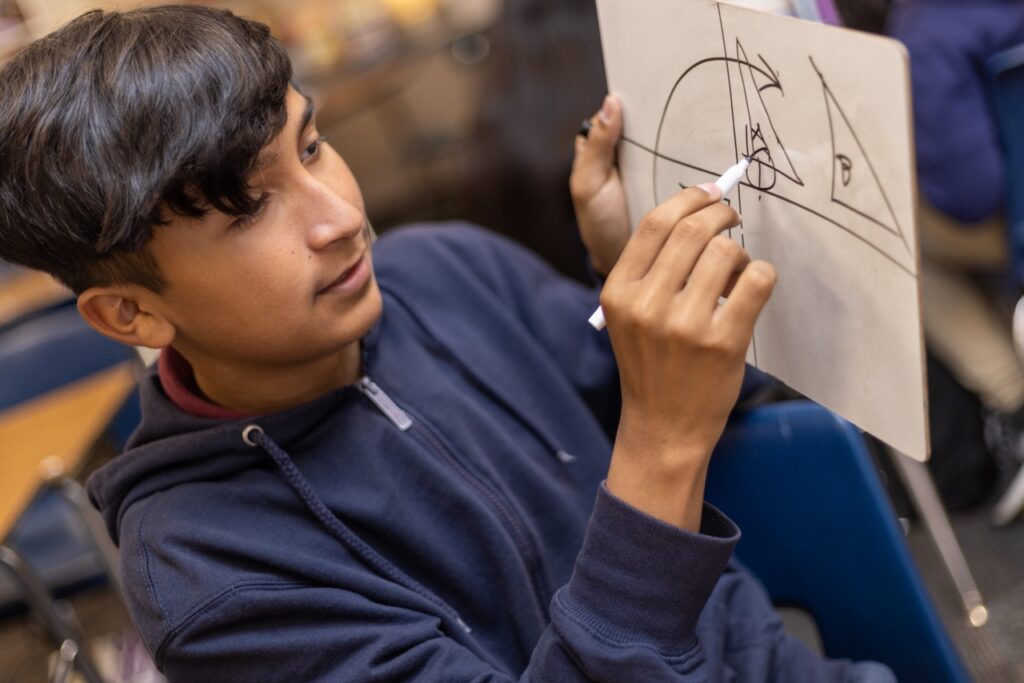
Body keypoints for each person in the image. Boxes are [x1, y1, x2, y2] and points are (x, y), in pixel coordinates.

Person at [0, 6, 895, 681]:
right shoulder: (214, 580)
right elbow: (662, 438)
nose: (343, 218)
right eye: (248, 210)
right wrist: (662, 440)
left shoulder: (443, 267)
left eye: (311, 147)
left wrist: (631, 279)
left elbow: (692, 404)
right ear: (131, 316)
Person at [879, 0, 1024, 524]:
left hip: (1012, 224)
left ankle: (1012, 399)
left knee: (891, 231)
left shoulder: (928, 34)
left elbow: (971, 195)